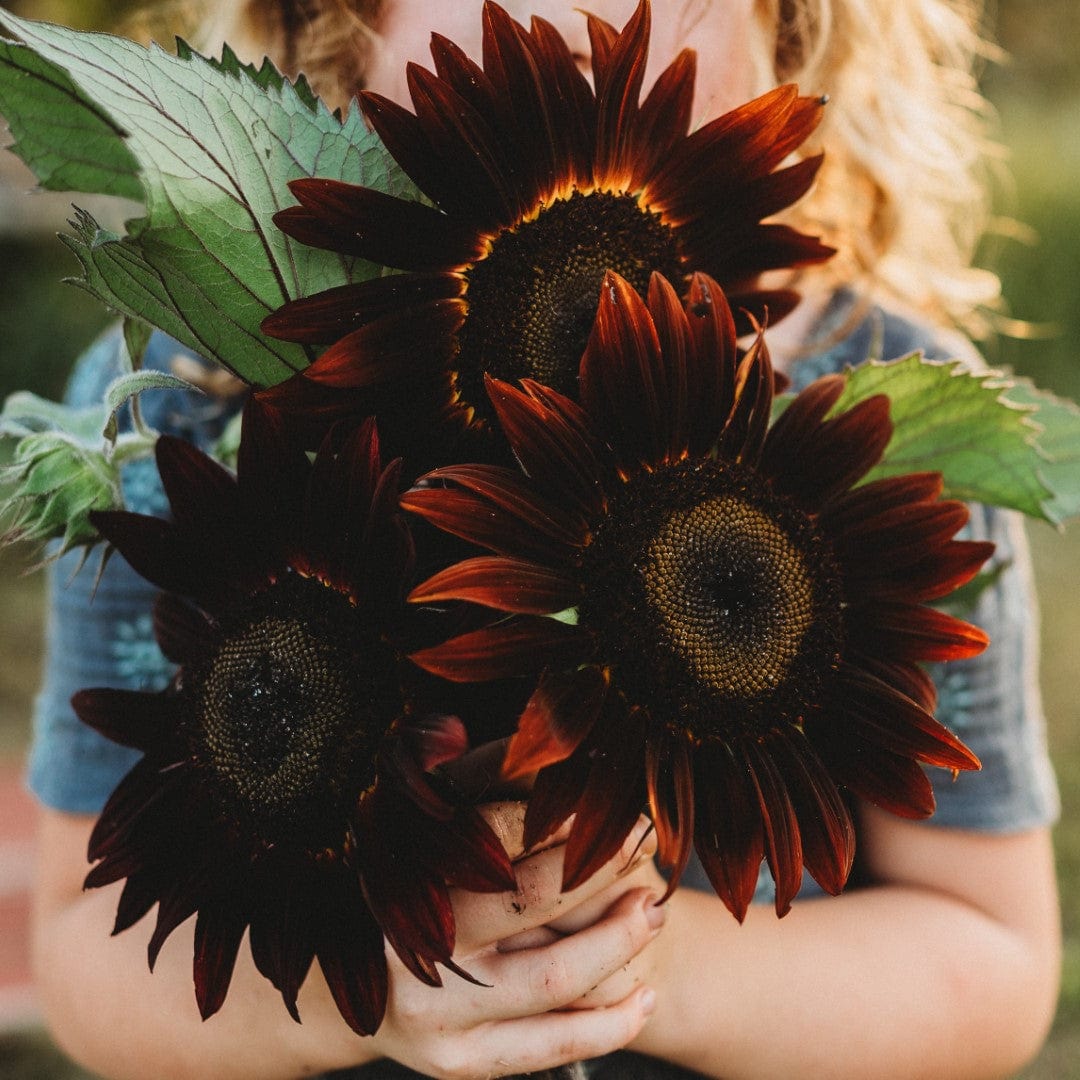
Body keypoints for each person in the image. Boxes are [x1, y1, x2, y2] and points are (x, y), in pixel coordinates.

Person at [25, 1, 1061, 1078]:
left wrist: (632, 968)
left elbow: (988, 949)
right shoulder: (177, 404)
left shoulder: (886, 433)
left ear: (792, 30)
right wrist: (357, 993)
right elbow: (84, 943)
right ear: (329, 26)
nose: (586, 19)